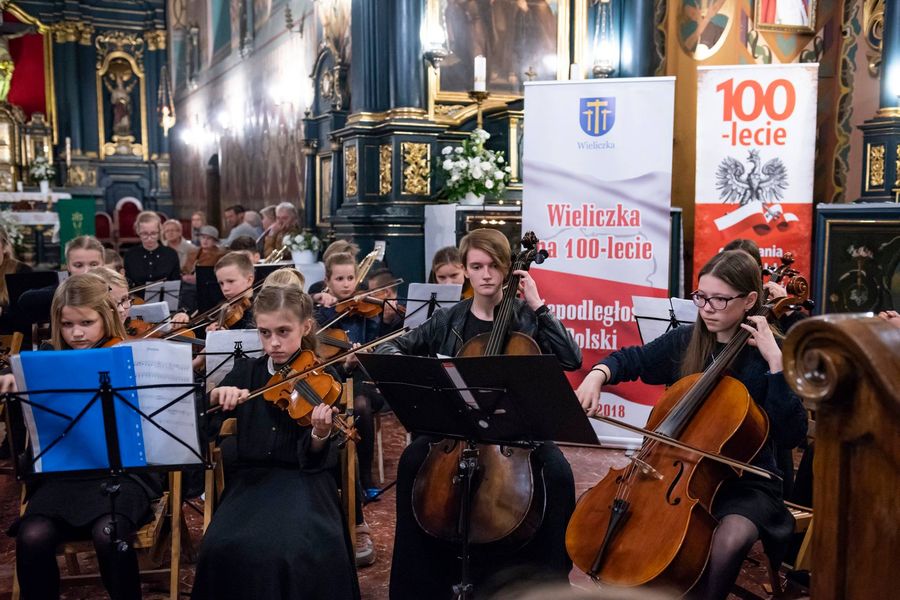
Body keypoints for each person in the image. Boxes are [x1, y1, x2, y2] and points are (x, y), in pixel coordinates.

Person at [575, 250, 808, 600]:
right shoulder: (686, 341)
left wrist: (776, 362)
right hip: (673, 477)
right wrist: (597, 375)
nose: (707, 308)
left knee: (730, 539)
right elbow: (631, 359)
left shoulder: (770, 354)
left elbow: (791, 433)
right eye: (701, 297)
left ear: (749, 301)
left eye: (719, 299)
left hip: (745, 482)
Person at [378, 228, 582, 599]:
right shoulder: (450, 319)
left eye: (493, 265)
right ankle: (416, 583)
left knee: (558, 472)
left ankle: (552, 581)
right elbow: (397, 347)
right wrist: (416, 371)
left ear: (507, 269)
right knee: (411, 460)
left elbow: (572, 359)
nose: (486, 274)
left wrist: (539, 306)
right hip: (458, 429)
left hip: (518, 434)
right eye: (476, 266)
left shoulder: (527, 317)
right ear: (465, 270)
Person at [191, 284, 360, 600]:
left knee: (291, 549)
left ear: (305, 326)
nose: (274, 343)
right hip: (251, 481)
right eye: (265, 333)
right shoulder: (247, 371)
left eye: (283, 331)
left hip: (303, 480)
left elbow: (319, 458)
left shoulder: (323, 375)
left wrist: (319, 434)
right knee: (218, 546)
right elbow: (204, 416)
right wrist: (214, 394)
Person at [9, 273, 156, 600]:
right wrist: (13, 382)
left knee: (109, 532)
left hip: (122, 473)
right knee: (32, 535)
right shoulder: (47, 359)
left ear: (105, 317)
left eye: (87, 323)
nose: (76, 333)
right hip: (65, 475)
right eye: (67, 324)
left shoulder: (129, 356)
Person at [314, 252, 381, 566]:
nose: (345, 284)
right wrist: (340, 361)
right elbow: (317, 350)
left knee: (363, 406)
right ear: (328, 281)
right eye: (338, 279)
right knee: (350, 405)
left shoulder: (368, 313)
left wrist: (359, 358)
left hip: (365, 380)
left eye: (349, 278)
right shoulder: (323, 313)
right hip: (334, 381)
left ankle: (365, 477)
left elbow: (379, 354)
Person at [123, 211, 181, 292]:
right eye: (144, 234)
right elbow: (127, 284)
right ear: (138, 231)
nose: (149, 238)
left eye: (153, 233)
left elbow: (176, 285)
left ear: (160, 231)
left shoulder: (171, 254)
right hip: (137, 302)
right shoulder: (130, 256)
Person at [0, 224, 32, 329]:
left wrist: (2, 311)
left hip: (12, 339)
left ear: (4, 247)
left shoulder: (21, 271)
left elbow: (26, 316)